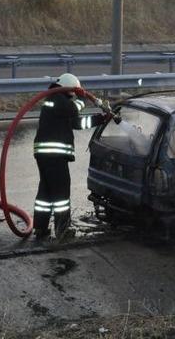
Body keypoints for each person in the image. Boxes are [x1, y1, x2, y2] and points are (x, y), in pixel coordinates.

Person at [32, 73, 116, 241]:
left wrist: (100, 119)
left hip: (46, 155)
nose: (74, 96)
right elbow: (73, 109)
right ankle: (63, 230)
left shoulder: (57, 102)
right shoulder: (57, 99)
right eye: (73, 92)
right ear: (69, 88)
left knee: (46, 192)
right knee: (61, 192)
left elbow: (76, 123)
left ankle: (40, 228)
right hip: (54, 155)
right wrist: (82, 98)